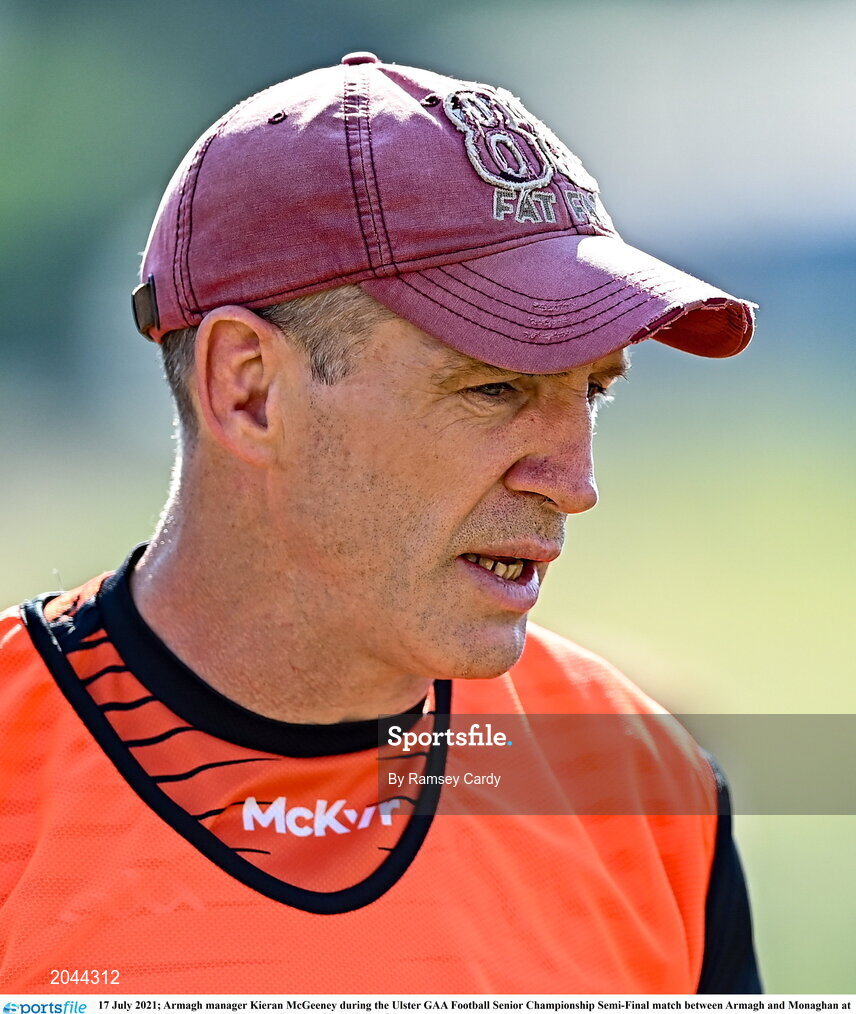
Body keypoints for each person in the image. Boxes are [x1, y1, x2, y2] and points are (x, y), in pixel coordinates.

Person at [0, 53, 761, 994]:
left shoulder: (642, 786)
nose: (574, 483)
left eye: (592, 393)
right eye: (493, 388)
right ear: (248, 391)